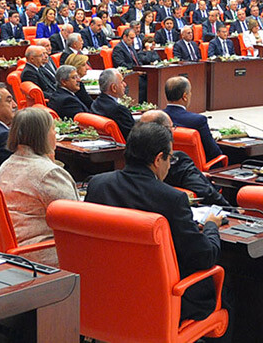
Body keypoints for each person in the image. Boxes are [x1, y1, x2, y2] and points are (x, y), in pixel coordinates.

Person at [85, 121, 223, 322]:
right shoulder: (172, 199)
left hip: (106, 293)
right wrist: (211, 226)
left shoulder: (98, 185)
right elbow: (204, 257)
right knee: (226, 293)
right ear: (159, 159)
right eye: (170, 158)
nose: (170, 164)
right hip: (159, 302)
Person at [0, 107, 80, 265]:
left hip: (14, 252)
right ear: (43, 135)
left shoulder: (5, 165)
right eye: (53, 129)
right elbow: (76, 221)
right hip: (45, 255)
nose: (56, 134)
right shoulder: (49, 173)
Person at [162, 76, 222, 162]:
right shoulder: (198, 120)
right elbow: (214, 153)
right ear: (185, 96)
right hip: (195, 169)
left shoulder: (158, 117)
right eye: (190, 92)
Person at [91, 68, 135, 139]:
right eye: (122, 82)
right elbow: (133, 135)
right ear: (114, 88)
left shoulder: (96, 103)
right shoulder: (119, 110)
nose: (125, 84)